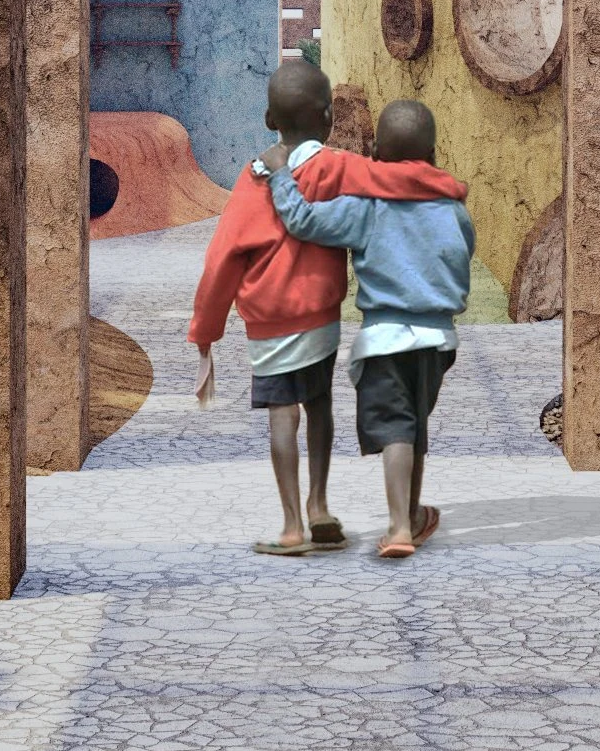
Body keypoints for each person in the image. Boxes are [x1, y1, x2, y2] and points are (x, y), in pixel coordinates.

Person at [267, 99, 474, 560]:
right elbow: (462, 253)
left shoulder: (368, 206)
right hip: (438, 340)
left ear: (376, 151)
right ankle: (415, 515)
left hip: (385, 339)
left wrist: (281, 175)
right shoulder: (452, 208)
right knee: (415, 426)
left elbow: (302, 221)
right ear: (433, 154)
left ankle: (399, 526)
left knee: (397, 430)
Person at [188, 62, 352, 555]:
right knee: (320, 405)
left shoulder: (254, 179)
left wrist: (205, 337)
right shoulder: (333, 169)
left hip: (270, 327)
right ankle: (320, 506)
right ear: (328, 119)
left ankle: (291, 527)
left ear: (267, 118)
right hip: (322, 319)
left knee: (284, 416)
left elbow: (223, 258)